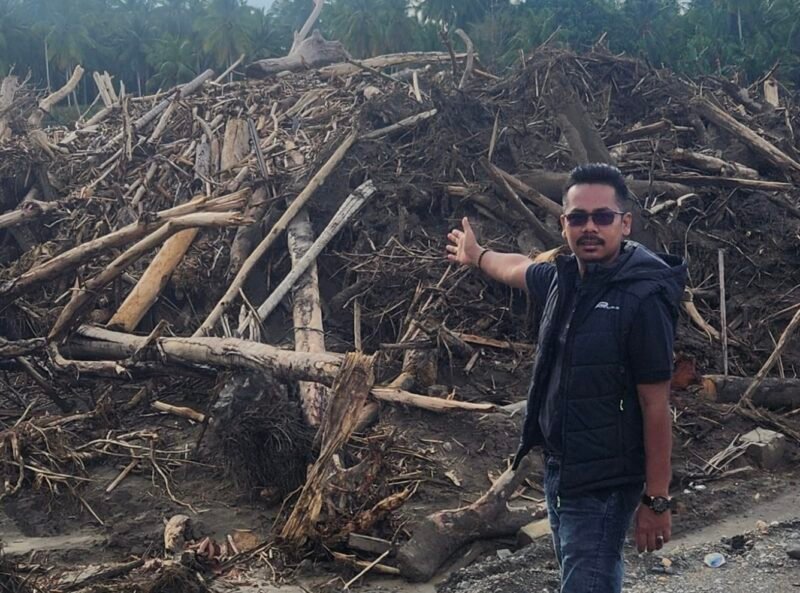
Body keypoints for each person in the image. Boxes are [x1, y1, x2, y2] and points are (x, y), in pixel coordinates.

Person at [446, 163, 686, 593]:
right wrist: (477, 255)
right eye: (578, 218)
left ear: (625, 223)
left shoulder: (643, 297)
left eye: (602, 217)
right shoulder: (564, 277)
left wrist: (657, 499)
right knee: (587, 576)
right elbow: (516, 267)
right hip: (561, 469)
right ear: (563, 225)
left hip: (606, 480)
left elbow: (656, 405)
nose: (589, 227)